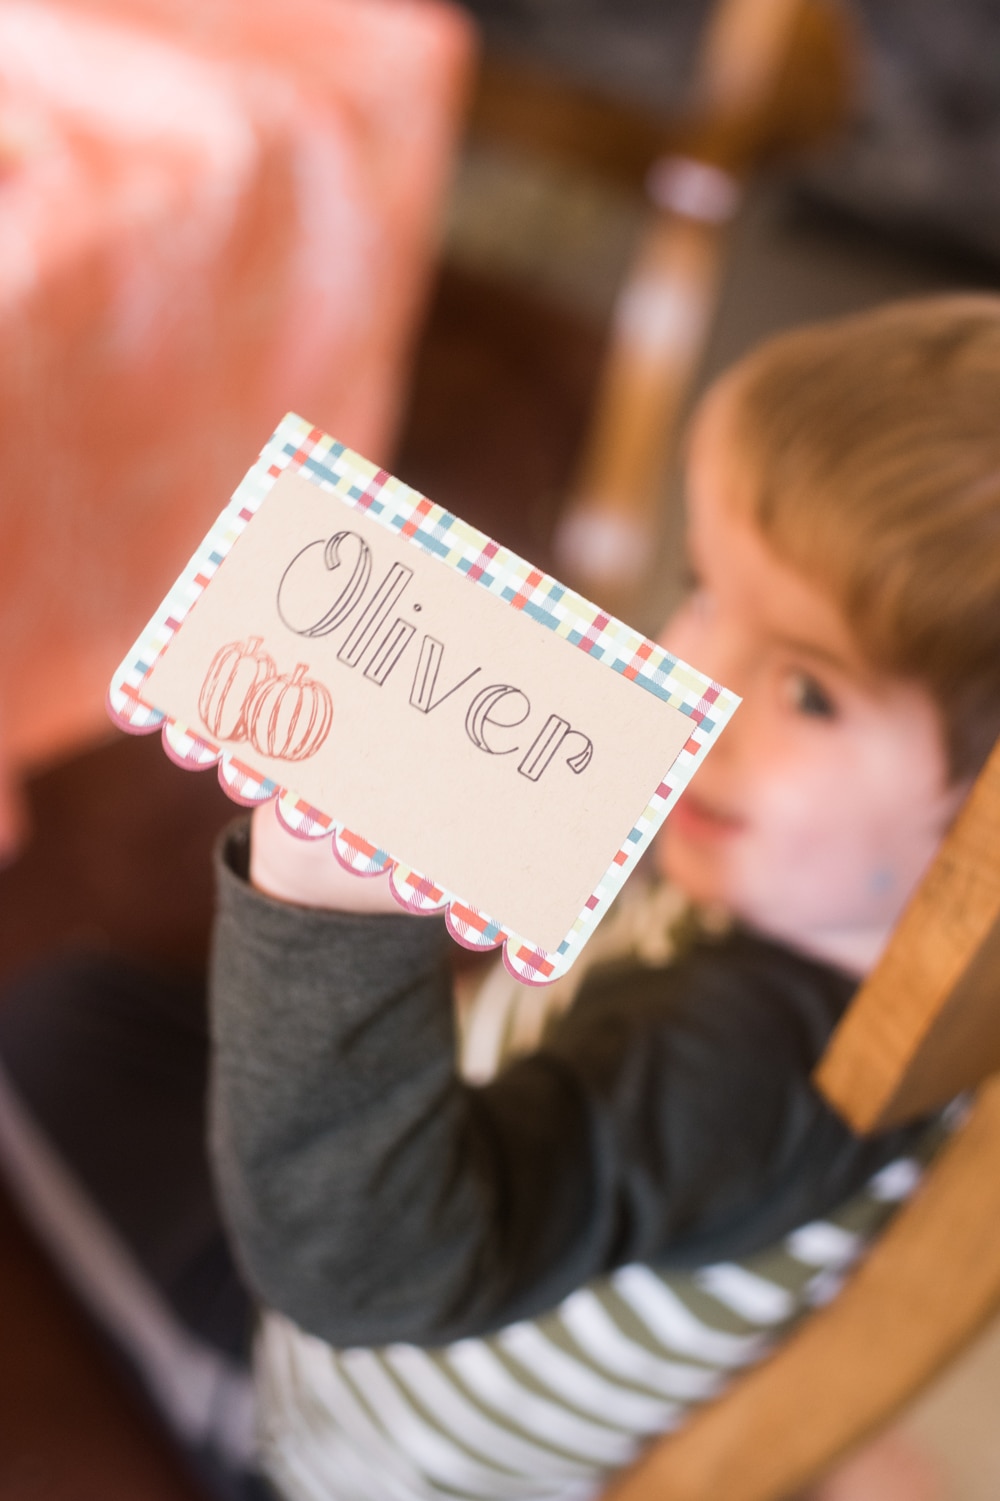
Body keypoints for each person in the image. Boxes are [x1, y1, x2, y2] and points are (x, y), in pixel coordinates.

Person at [2, 295, 999, 1501]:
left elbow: (359, 1275)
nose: (701, 682)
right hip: (461, 1208)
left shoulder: (740, 1062)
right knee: (91, 1005)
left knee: (39, 1036)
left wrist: (335, 909)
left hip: (327, 1413)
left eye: (809, 694)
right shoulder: (834, 912)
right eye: (705, 590)